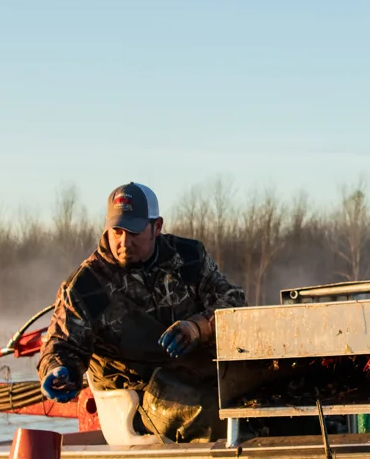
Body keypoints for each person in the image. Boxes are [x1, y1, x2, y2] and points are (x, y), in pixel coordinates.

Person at [38, 182, 246, 442]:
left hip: (202, 373)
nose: (124, 242)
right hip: (140, 395)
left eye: (133, 232)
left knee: (268, 401)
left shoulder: (189, 258)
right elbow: (62, 344)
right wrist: (59, 369)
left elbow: (234, 301)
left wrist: (197, 327)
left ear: (156, 227)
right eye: (117, 231)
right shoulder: (87, 286)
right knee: (211, 414)